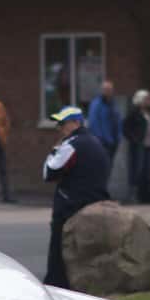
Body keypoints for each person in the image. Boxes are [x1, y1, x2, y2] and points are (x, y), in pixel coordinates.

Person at [39, 105, 110, 289]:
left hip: (70, 208)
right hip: (95, 204)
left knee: (59, 253)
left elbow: (49, 172)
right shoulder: (96, 142)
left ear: (76, 123)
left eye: (63, 123)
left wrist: (54, 150)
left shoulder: (71, 145)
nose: (59, 128)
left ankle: (56, 286)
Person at [121, 89, 150, 204]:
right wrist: (134, 139)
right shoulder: (134, 112)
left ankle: (146, 195)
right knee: (138, 169)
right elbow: (125, 128)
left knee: (148, 170)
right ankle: (134, 195)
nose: (148, 101)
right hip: (139, 145)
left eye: (149, 99)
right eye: (146, 99)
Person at [87, 79, 122, 196]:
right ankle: (97, 194)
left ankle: (101, 193)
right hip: (102, 142)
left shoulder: (113, 104)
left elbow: (118, 121)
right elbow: (93, 123)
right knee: (100, 169)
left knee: (108, 169)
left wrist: (119, 137)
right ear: (102, 90)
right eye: (106, 89)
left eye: (110, 89)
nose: (108, 91)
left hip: (113, 142)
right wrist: (101, 139)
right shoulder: (96, 104)